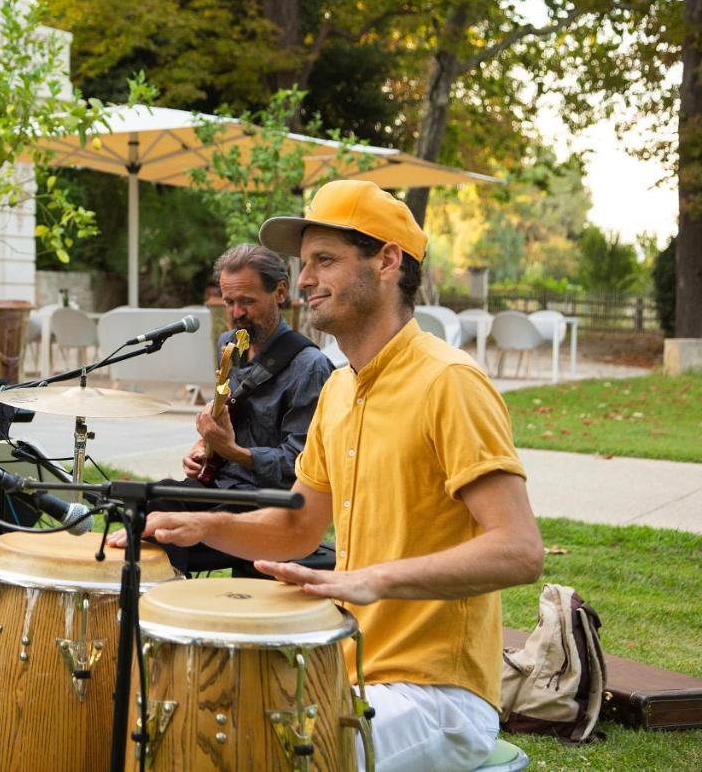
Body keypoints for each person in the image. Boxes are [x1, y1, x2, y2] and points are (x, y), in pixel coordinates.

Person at [113, 180, 544, 772]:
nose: (307, 280)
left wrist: (375, 580)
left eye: (325, 260)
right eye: (304, 263)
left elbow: (519, 551)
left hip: (438, 695)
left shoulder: (449, 381)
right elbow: (296, 528)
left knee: (261, 756)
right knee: (185, 724)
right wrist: (196, 524)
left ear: (387, 260)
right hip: (351, 665)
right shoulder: (340, 389)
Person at [119, 244, 334, 575]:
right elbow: (230, 413)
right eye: (229, 302)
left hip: (270, 501)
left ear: (280, 292)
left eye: (247, 301)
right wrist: (204, 449)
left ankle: (178, 606)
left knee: (168, 531)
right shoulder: (228, 346)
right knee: (152, 505)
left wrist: (233, 452)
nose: (236, 313)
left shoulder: (310, 367)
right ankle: (156, 607)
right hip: (222, 484)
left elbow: (300, 462)